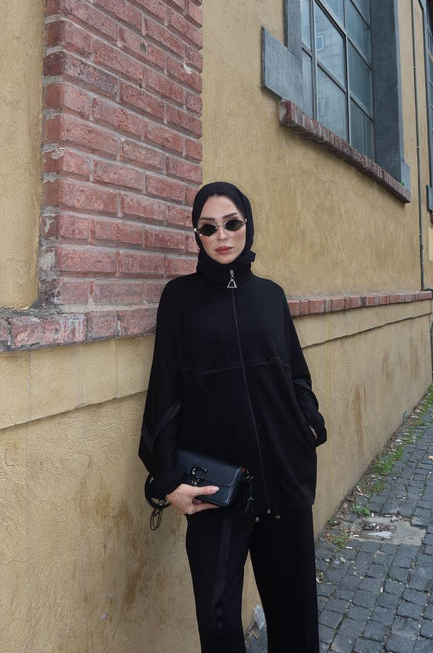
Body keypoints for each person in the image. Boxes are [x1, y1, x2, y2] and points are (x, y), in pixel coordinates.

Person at [139, 181, 327, 653]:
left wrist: (309, 422)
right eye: (208, 228)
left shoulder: (270, 295)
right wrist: (166, 479)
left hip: (283, 477)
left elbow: (295, 372)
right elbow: (165, 390)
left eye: (231, 223)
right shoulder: (179, 298)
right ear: (196, 234)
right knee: (218, 620)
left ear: (247, 224)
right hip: (216, 489)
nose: (221, 236)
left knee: (295, 617)